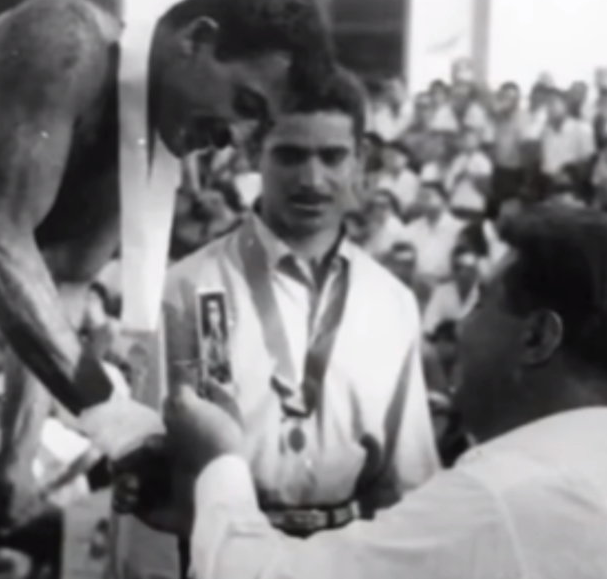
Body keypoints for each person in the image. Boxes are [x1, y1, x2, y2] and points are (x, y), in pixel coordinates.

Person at [0, 0, 338, 578]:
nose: (236, 139)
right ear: (197, 39)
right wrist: (119, 424)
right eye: (246, 105)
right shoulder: (64, 41)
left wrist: (18, 457)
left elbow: (59, 286)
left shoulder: (149, 139)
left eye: (259, 126)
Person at [149, 206, 607, 579]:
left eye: (480, 303)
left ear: (537, 338)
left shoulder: (496, 497)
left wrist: (218, 463)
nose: (460, 327)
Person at [130, 70, 438, 548]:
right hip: (227, 549)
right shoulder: (189, 287)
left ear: (360, 158)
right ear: (255, 153)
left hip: (349, 555)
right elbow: (151, 464)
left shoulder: (390, 302)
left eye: (332, 156)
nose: (311, 180)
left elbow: (407, 478)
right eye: (290, 155)